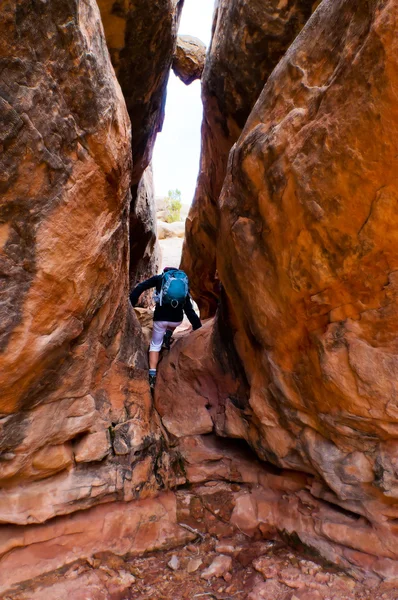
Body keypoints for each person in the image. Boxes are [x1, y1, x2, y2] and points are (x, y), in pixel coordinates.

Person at [130, 267, 202, 389]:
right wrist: (197, 327)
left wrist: (130, 302)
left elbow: (141, 287)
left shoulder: (160, 279)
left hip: (161, 319)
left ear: (165, 273)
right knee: (172, 324)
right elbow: (189, 309)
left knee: (155, 345)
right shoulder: (183, 283)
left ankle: (152, 376)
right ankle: (168, 334)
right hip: (177, 320)